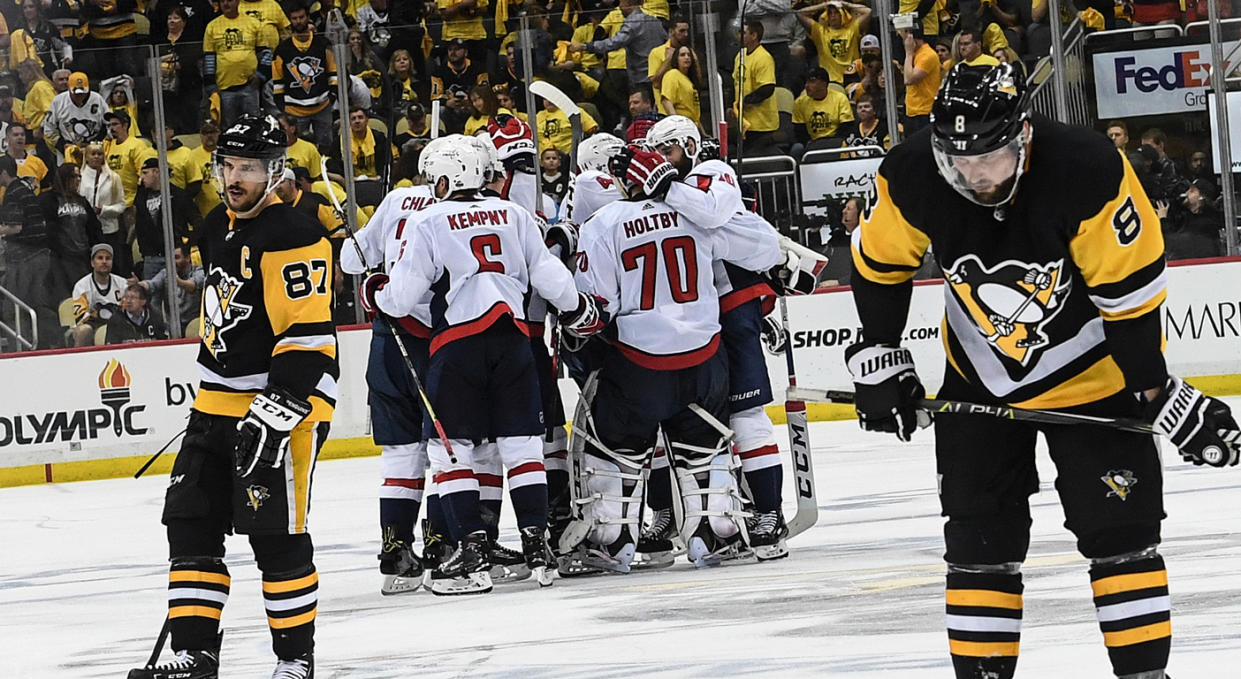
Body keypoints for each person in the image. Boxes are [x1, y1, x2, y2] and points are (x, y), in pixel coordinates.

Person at [847, 63, 1241, 679]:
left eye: (991, 159)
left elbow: (1130, 303)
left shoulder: (1087, 170)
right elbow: (878, 268)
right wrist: (878, 354)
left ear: (1023, 136)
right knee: (978, 542)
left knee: (1122, 537)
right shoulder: (912, 171)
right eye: (960, 162)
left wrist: (1157, 389)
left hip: (1094, 376)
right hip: (977, 372)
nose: (976, 177)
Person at [127, 113, 336, 679]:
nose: (236, 177)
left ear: (274, 172)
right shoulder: (216, 223)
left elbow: (308, 337)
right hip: (218, 401)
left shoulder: (296, 234)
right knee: (190, 521)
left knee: (275, 535)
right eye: (228, 165)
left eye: (249, 167)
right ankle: (196, 653)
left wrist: (280, 406)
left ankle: (296, 660)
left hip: (285, 402)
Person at [359, 135, 597, 593]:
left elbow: (403, 296)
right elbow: (549, 276)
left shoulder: (429, 219)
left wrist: (377, 291)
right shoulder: (514, 214)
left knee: (450, 452)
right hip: (513, 344)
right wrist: (574, 307)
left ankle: (471, 555)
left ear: (448, 177)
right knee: (522, 448)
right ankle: (537, 546)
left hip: (457, 348)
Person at [566, 136, 781, 572]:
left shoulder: (604, 222)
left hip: (638, 366)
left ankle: (614, 542)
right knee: (704, 453)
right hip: (705, 361)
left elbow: (595, 307)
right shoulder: (694, 214)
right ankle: (715, 536)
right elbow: (766, 248)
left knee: (617, 453)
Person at [340, 166, 437, 595]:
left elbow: (349, 260)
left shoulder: (397, 199)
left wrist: (364, 240)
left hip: (386, 338)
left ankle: (395, 550)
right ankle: (442, 542)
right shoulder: (452, 209)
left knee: (400, 453)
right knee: (451, 449)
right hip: (438, 341)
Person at [0, 152, 56, 346]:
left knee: (12, 308)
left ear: (4, 172)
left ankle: (22, 350)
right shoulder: (26, 189)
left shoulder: (12, 193)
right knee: (38, 305)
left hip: (24, 258)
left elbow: (15, 227)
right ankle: (44, 346)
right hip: (41, 255)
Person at [272, 2, 338, 152]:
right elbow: (278, 82)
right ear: (290, 20)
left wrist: (331, 96)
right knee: (295, 149)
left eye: (301, 17)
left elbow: (333, 72)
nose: (298, 21)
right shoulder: (282, 49)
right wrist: (282, 105)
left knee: (326, 147)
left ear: (308, 17)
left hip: (322, 106)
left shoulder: (322, 43)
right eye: (294, 18)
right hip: (294, 111)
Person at [204, 0, 276, 130]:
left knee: (253, 127)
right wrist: (211, 86)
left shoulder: (253, 23)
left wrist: (260, 76)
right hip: (224, 90)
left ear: (238, 1)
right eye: (223, 1)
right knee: (229, 129)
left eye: (230, 0)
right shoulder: (212, 26)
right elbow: (209, 59)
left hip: (250, 87)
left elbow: (266, 53)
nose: (226, 4)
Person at [571, 0, 667, 91]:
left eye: (621, 2)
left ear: (628, 2)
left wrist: (585, 46)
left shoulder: (633, 22)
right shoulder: (655, 20)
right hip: (657, 73)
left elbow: (614, 42)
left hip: (640, 77)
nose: (619, 6)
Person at [42, 161, 102, 304]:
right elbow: (47, 230)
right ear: (64, 178)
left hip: (82, 256)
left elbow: (94, 228)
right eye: (74, 177)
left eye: (79, 177)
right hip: (60, 258)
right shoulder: (48, 199)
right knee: (66, 298)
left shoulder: (82, 201)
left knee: (84, 296)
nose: (78, 180)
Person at [133, 156, 199, 279]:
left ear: (156, 172)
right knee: (151, 294)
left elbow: (197, 221)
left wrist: (185, 245)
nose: (142, 177)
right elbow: (139, 225)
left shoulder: (179, 195)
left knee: (177, 294)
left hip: (175, 256)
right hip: (151, 256)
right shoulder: (141, 197)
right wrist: (145, 250)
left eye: (145, 173)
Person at [136, 243, 207, 335]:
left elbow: (192, 286)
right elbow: (152, 285)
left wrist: (177, 280)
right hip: (173, 327)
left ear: (187, 258)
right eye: (171, 258)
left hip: (194, 326)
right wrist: (139, 285)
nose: (173, 262)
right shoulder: (165, 273)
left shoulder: (199, 272)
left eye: (176, 257)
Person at [732, 20, 780, 155]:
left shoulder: (764, 58)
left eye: (743, 32)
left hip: (761, 125)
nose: (739, 35)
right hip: (744, 122)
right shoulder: (739, 56)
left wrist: (746, 101)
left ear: (754, 35)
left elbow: (767, 88)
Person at [798, 0, 872, 84]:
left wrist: (846, 4)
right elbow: (800, 13)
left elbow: (868, 12)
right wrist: (824, 5)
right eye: (830, 13)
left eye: (836, 12)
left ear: (842, 14)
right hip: (830, 81)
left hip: (851, 78)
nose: (833, 16)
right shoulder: (820, 32)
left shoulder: (853, 30)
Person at [69, 243, 126, 347]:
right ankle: (82, 362)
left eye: (108, 258)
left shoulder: (123, 284)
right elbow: (80, 318)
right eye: (100, 258)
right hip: (92, 324)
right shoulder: (81, 286)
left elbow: (129, 312)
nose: (104, 262)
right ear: (92, 263)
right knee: (83, 331)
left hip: (119, 323)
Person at [430, 38, 489, 135]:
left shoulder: (479, 68)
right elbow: (434, 97)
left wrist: (471, 100)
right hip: (451, 111)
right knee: (440, 110)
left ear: (465, 52)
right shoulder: (439, 72)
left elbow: (485, 92)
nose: (453, 52)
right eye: (450, 49)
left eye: (457, 49)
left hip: (472, 108)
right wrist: (447, 102)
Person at [43, 71, 107, 160]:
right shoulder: (58, 101)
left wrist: (97, 143)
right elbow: (49, 129)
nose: (79, 95)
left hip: (94, 151)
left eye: (82, 92)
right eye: (76, 93)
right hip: (68, 151)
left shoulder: (97, 99)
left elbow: (108, 125)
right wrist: (62, 146)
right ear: (69, 88)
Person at [793, 67, 855, 155]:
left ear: (824, 83)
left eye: (812, 81)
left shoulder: (840, 98)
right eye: (806, 82)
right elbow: (799, 130)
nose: (807, 85)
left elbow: (847, 127)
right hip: (812, 144)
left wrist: (830, 143)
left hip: (836, 142)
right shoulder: (799, 102)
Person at [901, 24, 940, 133]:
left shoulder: (927, 55)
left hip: (924, 112)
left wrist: (908, 53)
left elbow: (909, 80)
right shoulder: (915, 53)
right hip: (911, 111)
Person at [658, 45, 702, 128]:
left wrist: (703, 133)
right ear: (676, 59)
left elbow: (693, 113)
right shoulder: (672, 74)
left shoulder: (690, 80)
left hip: (692, 126)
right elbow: (666, 101)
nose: (686, 57)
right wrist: (677, 125)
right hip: (681, 126)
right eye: (682, 55)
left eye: (689, 55)